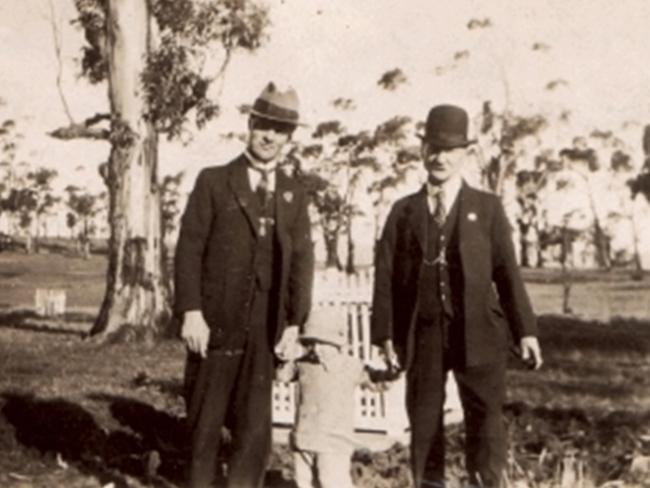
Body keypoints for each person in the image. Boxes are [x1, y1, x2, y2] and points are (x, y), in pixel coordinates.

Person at [371, 104, 543, 488]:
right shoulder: (403, 212)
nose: (440, 157)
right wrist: (384, 335)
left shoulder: (487, 208)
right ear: (422, 151)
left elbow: (507, 273)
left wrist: (525, 331)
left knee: (485, 427)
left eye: (449, 149)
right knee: (424, 425)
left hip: (480, 334)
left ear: (464, 153)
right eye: (433, 147)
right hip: (425, 335)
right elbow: (384, 277)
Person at [174, 82, 314, 488]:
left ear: (289, 138)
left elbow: (302, 262)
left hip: (263, 333)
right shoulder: (214, 182)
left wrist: (293, 324)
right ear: (250, 124)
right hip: (213, 327)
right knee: (204, 429)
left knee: (253, 435)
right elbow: (188, 250)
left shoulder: (293, 193)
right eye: (263, 126)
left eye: (279, 130)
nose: (269, 137)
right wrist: (191, 312)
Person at [277, 306, 396, 488]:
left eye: (321, 342)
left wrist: (391, 372)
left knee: (332, 482)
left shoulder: (350, 366)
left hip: (335, 443)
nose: (315, 348)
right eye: (311, 342)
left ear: (337, 343)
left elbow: (376, 382)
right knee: (303, 483)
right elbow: (281, 376)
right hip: (303, 439)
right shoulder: (302, 365)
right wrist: (285, 357)